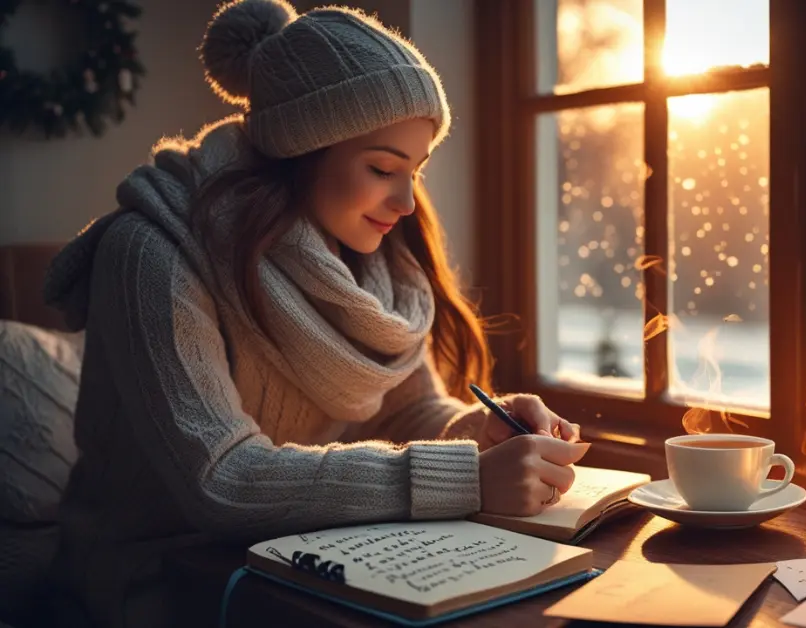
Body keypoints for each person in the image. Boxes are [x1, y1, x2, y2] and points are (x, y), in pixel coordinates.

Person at [40, 1, 586, 625]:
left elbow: (408, 410)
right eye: (382, 168)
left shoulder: (362, 255)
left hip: (302, 561)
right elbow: (224, 479)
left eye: (415, 171)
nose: (407, 202)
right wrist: (468, 480)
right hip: (151, 582)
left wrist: (477, 431)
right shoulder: (150, 253)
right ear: (303, 148)